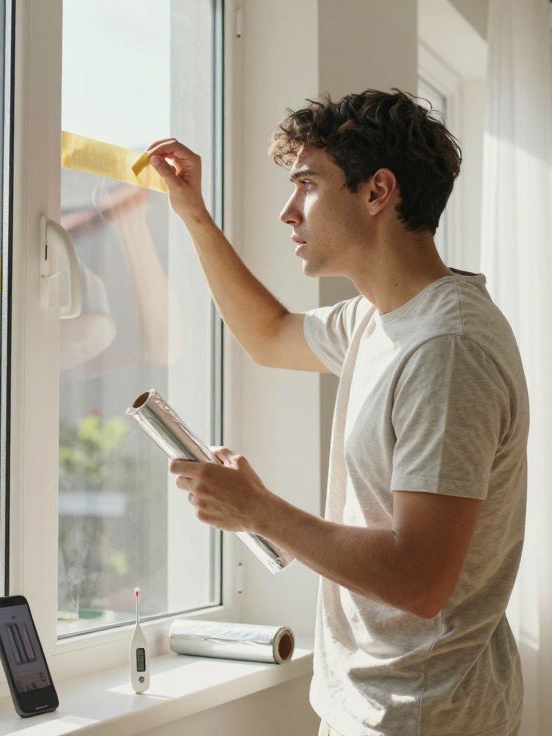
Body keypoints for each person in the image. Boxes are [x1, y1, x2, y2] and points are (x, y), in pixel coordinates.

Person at [147, 89, 529, 736]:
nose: (287, 211)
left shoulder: (447, 348)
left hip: (423, 718)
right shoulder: (378, 320)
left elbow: (419, 579)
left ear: (377, 192)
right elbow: (267, 335)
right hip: (373, 704)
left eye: (307, 185)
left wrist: (258, 510)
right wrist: (193, 216)